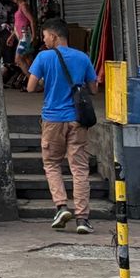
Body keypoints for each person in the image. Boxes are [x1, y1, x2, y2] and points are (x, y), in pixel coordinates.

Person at [28, 18, 98, 235]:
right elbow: (94, 89)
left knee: (51, 164)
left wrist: (45, 82)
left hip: (52, 120)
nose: (44, 39)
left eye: (46, 36)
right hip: (77, 119)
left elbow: (30, 87)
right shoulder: (82, 57)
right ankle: (83, 219)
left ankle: (60, 207)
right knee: (79, 168)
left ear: (55, 36)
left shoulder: (44, 57)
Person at [11, 0, 37, 86]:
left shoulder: (23, 6)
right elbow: (18, 23)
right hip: (22, 36)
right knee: (28, 60)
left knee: (19, 59)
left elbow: (32, 20)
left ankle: (33, 83)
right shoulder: (20, 7)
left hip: (26, 36)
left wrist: (34, 35)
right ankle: (38, 81)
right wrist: (12, 36)